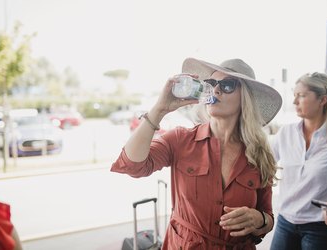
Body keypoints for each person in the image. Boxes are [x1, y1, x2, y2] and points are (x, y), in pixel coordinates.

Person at [111, 57, 282, 249]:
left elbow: (268, 217)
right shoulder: (180, 139)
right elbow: (132, 166)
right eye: (211, 83)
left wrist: (259, 220)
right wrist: (159, 109)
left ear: (246, 98)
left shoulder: (259, 154)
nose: (216, 90)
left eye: (227, 85)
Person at [270, 72, 327, 250]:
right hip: (285, 221)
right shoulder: (286, 133)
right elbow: (261, 164)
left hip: (322, 227)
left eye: (302, 95)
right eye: (294, 95)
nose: (294, 102)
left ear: (322, 100)